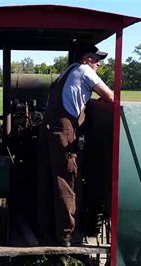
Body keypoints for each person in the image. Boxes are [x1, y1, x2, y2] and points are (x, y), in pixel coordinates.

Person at [37, 44, 114, 247]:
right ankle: (67, 236)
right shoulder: (84, 70)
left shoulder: (67, 71)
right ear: (86, 59)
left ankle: (44, 231)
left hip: (49, 130)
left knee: (48, 181)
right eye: (96, 59)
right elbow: (111, 97)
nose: (98, 64)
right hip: (64, 133)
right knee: (67, 182)